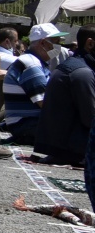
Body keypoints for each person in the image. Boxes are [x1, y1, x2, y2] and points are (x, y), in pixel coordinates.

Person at [35, 27, 95, 166]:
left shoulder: (75, 65)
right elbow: (91, 119)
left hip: (61, 146)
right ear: (90, 43)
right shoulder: (82, 73)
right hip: (72, 150)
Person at [0, 24, 57, 144]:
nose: (58, 47)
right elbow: (44, 102)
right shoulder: (31, 64)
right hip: (26, 124)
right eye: (56, 42)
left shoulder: (35, 62)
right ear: (43, 43)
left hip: (28, 123)